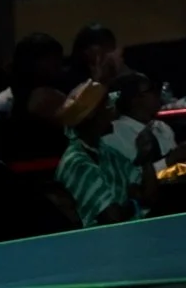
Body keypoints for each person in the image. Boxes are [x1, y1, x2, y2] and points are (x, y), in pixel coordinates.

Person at [54, 79, 159, 227]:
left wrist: (146, 159)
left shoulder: (108, 153)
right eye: (106, 105)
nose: (112, 110)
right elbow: (112, 218)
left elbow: (149, 197)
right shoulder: (77, 163)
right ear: (91, 115)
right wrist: (135, 202)